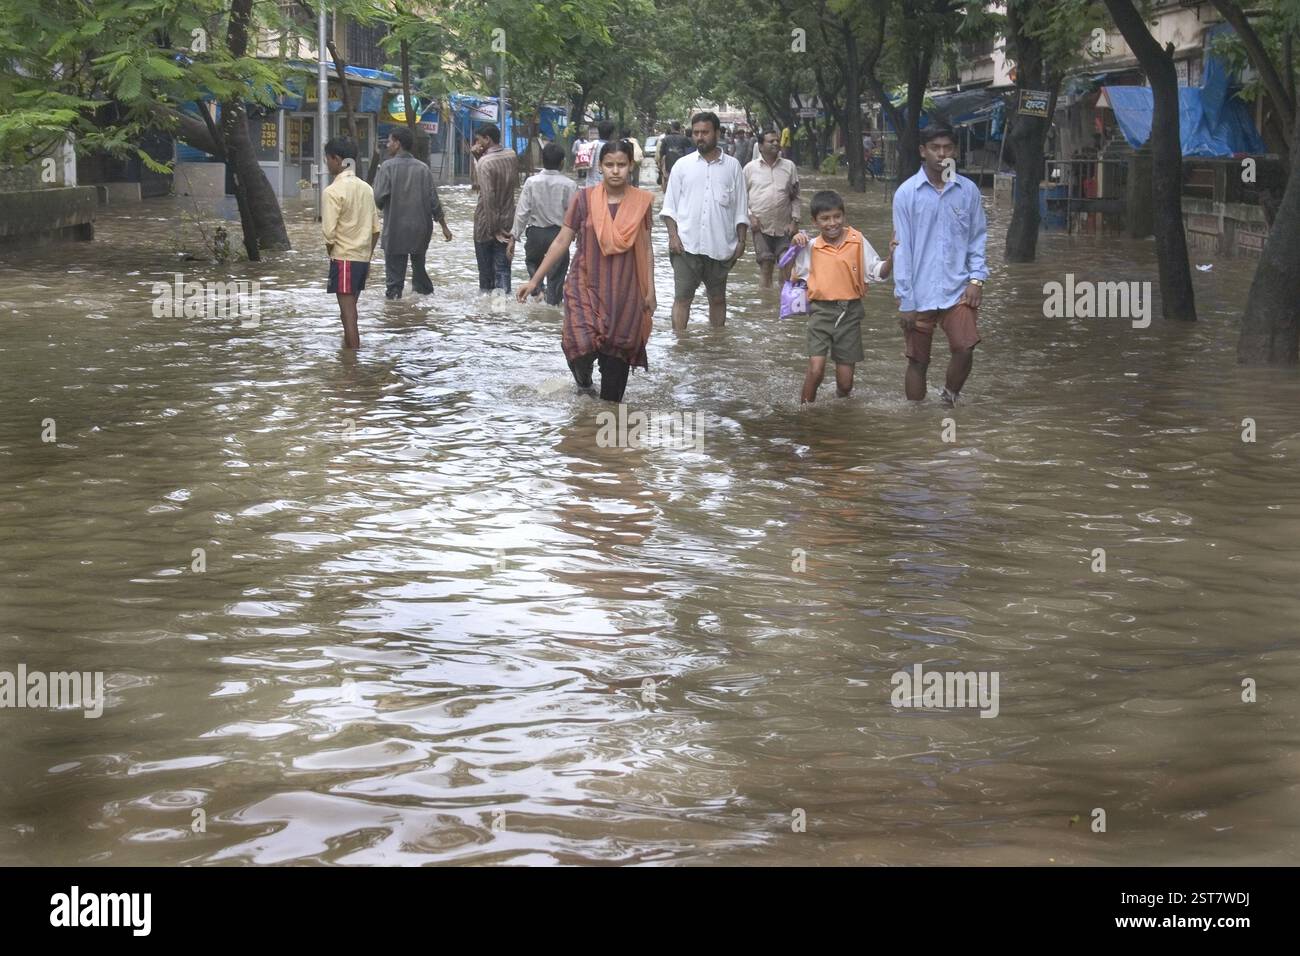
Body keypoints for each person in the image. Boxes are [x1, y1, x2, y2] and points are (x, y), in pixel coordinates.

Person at [516, 140, 656, 402]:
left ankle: (604, 433)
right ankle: (584, 382)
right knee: (579, 344)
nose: (615, 171)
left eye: (621, 165)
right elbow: (562, 240)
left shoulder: (641, 203)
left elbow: (646, 249)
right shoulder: (584, 199)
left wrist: (650, 292)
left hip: (625, 291)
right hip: (584, 285)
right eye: (609, 165)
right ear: (600, 167)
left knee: (614, 386)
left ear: (631, 167)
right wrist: (535, 280)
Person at [891, 124, 988, 406]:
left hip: (958, 288)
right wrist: (906, 299)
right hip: (918, 293)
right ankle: (915, 420)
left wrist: (976, 280)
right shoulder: (906, 194)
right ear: (923, 151)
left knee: (965, 347)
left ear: (955, 151)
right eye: (935, 148)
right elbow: (903, 249)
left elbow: (978, 238)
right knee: (918, 361)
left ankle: (948, 399)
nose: (942, 154)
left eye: (947, 147)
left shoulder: (967, 191)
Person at [782, 190, 893, 403]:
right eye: (825, 219)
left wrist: (891, 259)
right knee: (816, 370)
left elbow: (877, 273)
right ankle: (805, 413)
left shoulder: (857, 240)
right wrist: (793, 249)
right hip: (820, 313)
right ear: (815, 222)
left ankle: (839, 413)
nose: (832, 223)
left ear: (844, 216)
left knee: (845, 384)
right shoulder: (810, 246)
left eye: (837, 217)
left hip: (850, 313)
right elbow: (790, 278)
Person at [660, 111, 748, 332]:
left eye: (705, 132)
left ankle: (716, 345)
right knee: (682, 299)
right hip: (686, 246)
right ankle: (680, 344)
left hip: (721, 246)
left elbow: (740, 207)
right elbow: (669, 207)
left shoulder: (733, 166)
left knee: (717, 299)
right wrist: (673, 236)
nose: (700, 137)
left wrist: (741, 242)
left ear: (717, 133)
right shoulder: (682, 165)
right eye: (696, 133)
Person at [372, 127, 453, 299]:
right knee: (419, 273)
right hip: (420, 230)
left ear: (398, 143)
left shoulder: (387, 167)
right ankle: (422, 313)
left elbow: (378, 199)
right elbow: (434, 201)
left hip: (395, 231)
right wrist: (445, 227)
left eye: (390, 141)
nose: (387, 145)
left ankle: (396, 316)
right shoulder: (423, 168)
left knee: (394, 282)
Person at [321, 138, 381, 350]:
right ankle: (348, 353)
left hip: (343, 258)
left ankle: (352, 364)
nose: (327, 164)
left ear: (337, 159)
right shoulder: (366, 188)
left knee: (348, 314)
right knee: (349, 310)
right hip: (361, 259)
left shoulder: (332, 192)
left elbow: (329, 234)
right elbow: (375, 230)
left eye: (327, 159)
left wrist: (333, 254)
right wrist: (367, 256)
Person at [509, 142, 578, 306]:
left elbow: (522, 212)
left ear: (542, 159)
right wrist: (577, 235)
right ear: (562, 162)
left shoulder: (531, 182)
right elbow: (574, 214)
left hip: (535, 234)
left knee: (532, 262)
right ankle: (552, 305)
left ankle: (538, 291)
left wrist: (513, 237)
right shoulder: (570, 185)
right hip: (559, 236)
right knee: (556, 273)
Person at [744, 129, 801, 289]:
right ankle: (766, 305)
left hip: (785, 226)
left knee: (786, 264)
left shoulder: (789, 166)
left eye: (777, 141)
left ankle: (783, 304)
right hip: (760, 226)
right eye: (771, 141)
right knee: (766, 265)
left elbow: (795, 196)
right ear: (761, 146)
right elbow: (741, 198)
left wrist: (795, 221)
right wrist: (750, 217)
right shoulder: (749, 169)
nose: (776, 143)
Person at [469, 123, 518, 294]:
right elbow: (513, 185)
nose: (476, 144)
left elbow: (486, 195)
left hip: (486, 226)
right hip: (507, 223)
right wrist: (478, 157)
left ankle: (488, 317)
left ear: (487, 139)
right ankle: (500, 312)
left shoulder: (484, 162)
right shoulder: (511, 154)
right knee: (503, 271)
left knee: (486, 275)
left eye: (478, 140)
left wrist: (494, 229)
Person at [656, 121, 691, 188]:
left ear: (672, 128)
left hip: (669, 166)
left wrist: (660, 164)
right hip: (682, 165)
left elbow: (661, 152)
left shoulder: (666, 139)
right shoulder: (684, 139)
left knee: (670, 185)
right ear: (679, 128)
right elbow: (689, 149)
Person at [586, 119, 616, 188]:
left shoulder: (590, 145)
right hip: (607, 187)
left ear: (598, 131)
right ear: (612, 133)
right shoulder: (613, 148)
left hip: (590, 185)